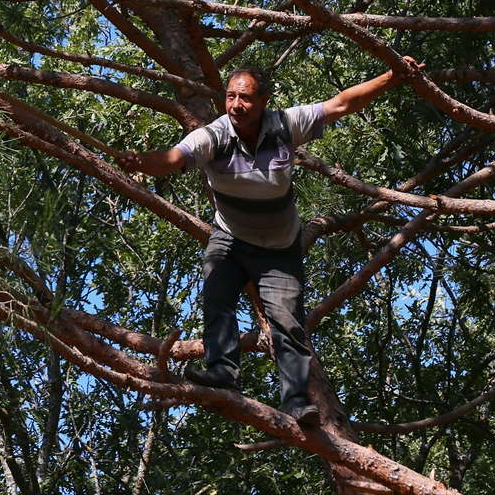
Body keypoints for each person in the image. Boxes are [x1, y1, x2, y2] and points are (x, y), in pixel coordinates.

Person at [117, 59, 422, 428]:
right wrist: (140, 162)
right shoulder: (212, 137)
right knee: (216, 297)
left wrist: (392, 76)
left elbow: (341, 103)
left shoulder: (285, 125)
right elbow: (172, 158)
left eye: (244, 98)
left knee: (288, 325)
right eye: (230, 97)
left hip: (279, 249)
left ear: (263, 100)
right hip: (230, 238)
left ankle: (297, 403)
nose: (235, 105)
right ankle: (223, 373)